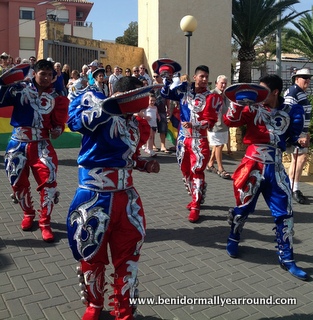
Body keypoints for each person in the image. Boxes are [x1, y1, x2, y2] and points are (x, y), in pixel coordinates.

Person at [66, 76, 160, 320]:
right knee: (90, 252)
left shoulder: (137, 124)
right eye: (133, 98)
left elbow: (128, 159)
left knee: (128, 256)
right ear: (116, 93)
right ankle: (94, 305)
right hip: (93, 195)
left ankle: (124, 310)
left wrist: (143, 164)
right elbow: (74, 122)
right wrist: (109, 107)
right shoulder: (93, 104)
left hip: (126, 198)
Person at [223, 75, 308, 281]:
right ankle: (234, 236)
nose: (259, 94)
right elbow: (229, 121)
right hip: (252, 165)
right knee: (243, 208)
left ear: (276, 92)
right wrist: (237, 102)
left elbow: (292, 137)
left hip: (276, 169)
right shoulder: (251, 107)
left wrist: (300, 141)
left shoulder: (291, 111)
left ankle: (287, 258)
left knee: (285, 213)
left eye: (263, 90)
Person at [0, 59, 69, 242]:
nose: (46, 78)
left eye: (49, 75)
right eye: (42, 74)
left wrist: (58, 130)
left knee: (49, 181)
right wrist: (3, 83)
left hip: (42, 144)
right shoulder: (19, 88)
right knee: (17, 181)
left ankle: (45, 222)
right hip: (17, 143)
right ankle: (28, 213)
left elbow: (59, 122)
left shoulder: (56, 96)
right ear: (35, 73)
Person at [160, 62, 222, 223]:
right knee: (185, 170)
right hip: (182, 139)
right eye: (201, 76)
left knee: (197, 171)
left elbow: (211, 122)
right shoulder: (183, 91)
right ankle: (197, 194)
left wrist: (195, 124)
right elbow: (166, 94)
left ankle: (196, 205)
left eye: (206, 77)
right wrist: (166, 79)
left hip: (199, 140)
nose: (204, 79)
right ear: (195, 77)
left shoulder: (212, 97)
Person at [284, 68, 312, 204]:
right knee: (299, 159)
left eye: (309, 78)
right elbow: (287, 114)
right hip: (296, 134)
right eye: (303, 77)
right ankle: (294, 189)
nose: (307, 80)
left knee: (299, 160)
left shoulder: (301, 93)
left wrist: (306, 132)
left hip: (302, 133)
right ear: (296, 79)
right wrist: (294, 135)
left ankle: (291, 187)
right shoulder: (293, 92)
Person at [206, 75, 232, 179]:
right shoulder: (212, 94)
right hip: (215, 125)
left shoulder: (226, 95)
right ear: (217, 83)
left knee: (220, 146)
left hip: (224, 124)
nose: (224, 85)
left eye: (225, 83)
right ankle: (220, 169)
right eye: (222, 83)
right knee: (218, 145)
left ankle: (210, 164)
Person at [152, 72, 170, 153]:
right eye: (154, 76)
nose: (155, 78)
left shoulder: (165, 86)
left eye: (157, 76)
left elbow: (167, 98)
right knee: (153, 129)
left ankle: (163, 145)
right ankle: (153, 145)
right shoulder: (152, 86)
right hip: (153, 109)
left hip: (162, 109)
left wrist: (168, 108)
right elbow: (149, 96)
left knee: (163, 128)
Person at [141, 92, 160, 157]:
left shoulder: (155, 107)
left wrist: (158, 117)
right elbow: (140, 113)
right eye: (151, 100)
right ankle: (150, 149)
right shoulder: (146, 107)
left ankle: (149, 148)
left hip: (153, 123)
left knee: (152, 137)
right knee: (150, 136)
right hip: (148, 123)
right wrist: (145, 117)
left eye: (154, 100)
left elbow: (156, 113)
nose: (152, 102)